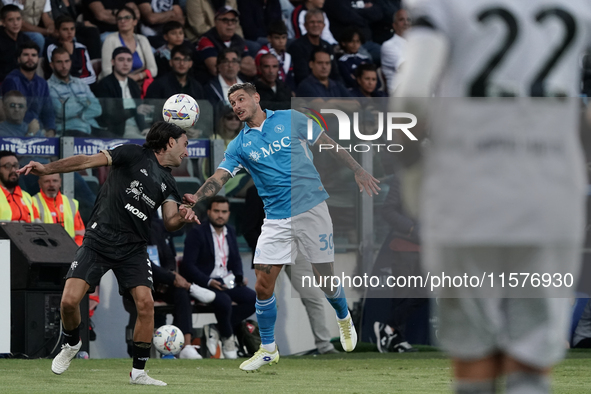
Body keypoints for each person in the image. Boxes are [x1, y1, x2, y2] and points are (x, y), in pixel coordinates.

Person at [395, 1, 589, 393]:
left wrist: (414, 173)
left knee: (474, 362)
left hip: (466, 190)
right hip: (551, 194)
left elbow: (412, 95)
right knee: (531, 368)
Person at [185, 82, 380, 371]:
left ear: (256, 98)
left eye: (241, 99)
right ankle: (267, 349)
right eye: (232, 103)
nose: (237, 106)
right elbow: (220, 177)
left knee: (324, 277)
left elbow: (327, 143)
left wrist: (358, 169)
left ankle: (343, 316)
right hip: (276, 219)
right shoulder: (239, 144)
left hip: (312, 207)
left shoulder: (291, 118)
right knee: (263, 286)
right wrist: (196, 197)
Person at [18, 121, 199, 386]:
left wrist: (184, 215)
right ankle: (71, 343)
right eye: (185, 144)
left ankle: (138, 372)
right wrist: (47, 167)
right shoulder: (132, 153)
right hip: (99, 239)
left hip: (133, 248)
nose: (187, 152)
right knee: (68, 302)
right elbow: (84, 162)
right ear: (170, 142)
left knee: (146, 305)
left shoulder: (169, 182)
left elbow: (171, 221)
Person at [242, 185, 338, 354]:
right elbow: (248, 227)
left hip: (298, 250)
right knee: (270, 300)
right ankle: (266, 347)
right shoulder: (256, 189)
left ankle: (325, 346)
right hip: (271, 253)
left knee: (314, 296)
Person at [181, 195, 256, 360]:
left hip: (226, 282)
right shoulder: (197, 232)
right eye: (216, 211)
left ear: (229, 213)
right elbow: (188, 265)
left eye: (224, 211)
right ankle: (228, 337)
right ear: (209, 212)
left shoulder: (231, 231)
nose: (220, 215)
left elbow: (235, 260)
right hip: (205, 283)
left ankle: (215, 328)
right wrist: (208, 281)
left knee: (254, 299)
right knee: (224, 303)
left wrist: (239, 278)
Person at [2, 42, 56, 137]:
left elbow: (48, 112)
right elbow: (14, 111)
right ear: (19, 59)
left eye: (34, 55)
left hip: (39, 129)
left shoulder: (42, 83)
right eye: (26, 55)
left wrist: (50, 130)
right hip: (17, 129)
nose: (30, 58)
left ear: (38, 60)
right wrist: (35, 129)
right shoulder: (11, 80)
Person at [94, 47, 149, 138]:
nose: (125, 63)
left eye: (129, 60)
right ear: (113, 62)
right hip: (119, 129)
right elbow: (109, 114)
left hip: (137, 125)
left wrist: (145, 128)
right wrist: (134, 111)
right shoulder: (104, 84)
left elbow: (140, 110)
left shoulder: (133, 84)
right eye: (121, 60)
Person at [48, 47, 102, 136]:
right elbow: (63, 112)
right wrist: (85, 102)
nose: (64, 66)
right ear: (52, 65)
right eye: (59, 62)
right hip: (69, 130)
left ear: (70, 62)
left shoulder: (80, 83)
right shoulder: (48, 87)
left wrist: (80, 114)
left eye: (66, 61)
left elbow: (97, 108)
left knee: (118, 144)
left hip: (92, 126)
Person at [194, 6, 256, 83]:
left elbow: (252, 70)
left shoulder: (240, 41)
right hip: (211, 85)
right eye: (225, 20)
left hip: (237, 83)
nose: (230, 24)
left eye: (233, 20)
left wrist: (226, 65)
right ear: (216, 22)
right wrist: (237, 64)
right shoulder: (206, 39)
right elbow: (215, 69)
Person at [100, 6, 158, 85]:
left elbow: (153, 70)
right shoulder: (110, 40)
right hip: (114, 85)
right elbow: (107, 71)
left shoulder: (142, 40)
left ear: (135, 21)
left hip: (139, 84)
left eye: (127, 17)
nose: (123, 21)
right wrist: (126, 81)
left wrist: (138, 77)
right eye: (119, 19)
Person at [287, 9, 339, 85]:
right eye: (312, 22)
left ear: (324, 26)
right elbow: (301, 76)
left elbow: (335, 74)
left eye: (319, 22)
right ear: (305, 25)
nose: (316, 25)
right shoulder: (297, 47)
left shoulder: (327, 46)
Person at [32, 173, 85, 245]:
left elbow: (80, 234)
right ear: (40, 184)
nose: (51, 184)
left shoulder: (71, 203)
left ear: (60, 182)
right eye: (47, 181)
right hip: (45, 251)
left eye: (55, 181)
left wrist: (76, 250)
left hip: (69, 251)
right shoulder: (32, 202)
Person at [46, 15, 97, 86]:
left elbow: (91, 76)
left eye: (72, 29)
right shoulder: (52, 48)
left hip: (83, 87)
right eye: (65, 29)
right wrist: (70, 54)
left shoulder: (81, 47)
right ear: (57, 31)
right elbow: (60, 74)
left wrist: (78, 84)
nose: (69, 32)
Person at [0, 150, 40, 222]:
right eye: (7, 166)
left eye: (15, 166)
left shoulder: (27, 197)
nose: (13, 170)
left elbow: (37, 223)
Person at [254, 21, 294, 90]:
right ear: (269, 38)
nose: (281, 41)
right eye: (277, 38)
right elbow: (259, 76)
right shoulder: (262, 54)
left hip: (284, 90)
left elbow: (289, 79)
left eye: (283, 37)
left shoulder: (287, 56)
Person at [0, 5, 33, 84]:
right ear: (3, 22)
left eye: (18, 19)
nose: (15, 23)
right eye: (10, 20)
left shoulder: (25, 39)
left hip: (23, 81)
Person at [380, 9, 410, 94]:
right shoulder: (389, 45)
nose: (406, 23)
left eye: (409, 19)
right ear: (394, 25)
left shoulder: (417, 43)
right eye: (401, 20)